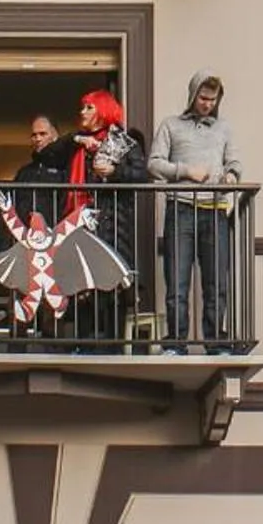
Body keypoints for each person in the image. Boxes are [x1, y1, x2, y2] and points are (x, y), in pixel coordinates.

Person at [149, 72, 243, 352]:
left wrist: (232, 177)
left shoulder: (224, 128)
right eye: (203, 98)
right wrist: (186, 171)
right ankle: (176, 342)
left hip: (215, 211)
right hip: (180, 209)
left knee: (216, 283)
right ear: (192, 96)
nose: (207, 104)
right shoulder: (171, 125)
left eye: (212, 100)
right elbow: (154, 163)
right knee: (177, 282)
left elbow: (234, 160)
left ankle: (215, 341)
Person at [65, 90, 149, 338]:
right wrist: (79, 141)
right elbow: (51, 153)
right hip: (84, 223)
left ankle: (111, 343)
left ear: (102, 110)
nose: (82, 112)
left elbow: (141, 176)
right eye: (83, 107)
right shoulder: (77, 145)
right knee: (83, 284)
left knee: (111, 284)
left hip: (114, 224)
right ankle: (85, 343)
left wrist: (114, 171)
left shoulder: (123, 141)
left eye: (88, 107)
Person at [13, 114, 76, 224]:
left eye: (43, 134)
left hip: (58, 234)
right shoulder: (24, 172)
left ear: (55, 136)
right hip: (26, 235)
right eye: (34, 135)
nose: (38, 139)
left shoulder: (68, 168)